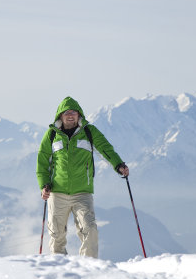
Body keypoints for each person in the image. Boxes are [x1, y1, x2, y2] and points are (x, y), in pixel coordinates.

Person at [36, 97, 129, 258]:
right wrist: (44, 185)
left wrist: (118, 165)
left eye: (74, 112)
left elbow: (105, 149)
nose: (70, 115)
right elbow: (42, 162)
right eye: (66, 113)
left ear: (79, 115)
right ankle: (58, 267)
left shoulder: (89, 132)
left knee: (90, 229)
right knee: (56, 234)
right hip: (57, 192)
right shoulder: (52, 135)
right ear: (60, 116)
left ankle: (89, 266)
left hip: (82, 193)